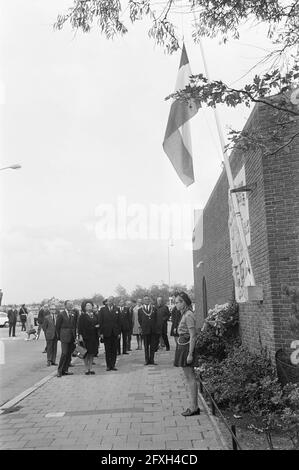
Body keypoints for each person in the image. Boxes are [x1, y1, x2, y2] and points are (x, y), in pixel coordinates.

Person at [173, 291, 200, 417]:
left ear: (184, 302)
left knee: (190, 378)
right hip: (183, 346)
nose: (176, 304)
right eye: (175, 302)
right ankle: (194, 405)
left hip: (186, 347)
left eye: (178, 302)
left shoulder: (188, 315)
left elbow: (193, 335)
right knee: (189, 378)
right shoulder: (185, 314)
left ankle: (194, 407)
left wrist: (190, 354)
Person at [98, 296, 121, 371]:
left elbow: (119, 322)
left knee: (114, 350)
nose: (110, 302)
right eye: (109, 300)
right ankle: (108, 365)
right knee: (107, 350)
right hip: (106, 333)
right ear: (107, 301)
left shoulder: (117, 309)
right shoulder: (102, 310)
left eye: (112, 300)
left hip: (115, 333)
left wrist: (119, 333)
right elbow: (100, 322)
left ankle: (113, 365)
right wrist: (101, 333)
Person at [56, 300, 77, 377]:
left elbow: (74, 326)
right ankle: (59, 370)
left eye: (72, 305)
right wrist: (59, 337)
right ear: (65, 306)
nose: (71, 306)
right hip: (64, 337)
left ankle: (65, 370)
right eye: (69, 305)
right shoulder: (61, 314)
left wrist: (75, 335)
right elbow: (57, 327)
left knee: (69, 354)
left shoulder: (73, 314)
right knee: (64, 353)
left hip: (72, 336)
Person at [78, 300, 99, 375]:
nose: (89, 307)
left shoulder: (95, 315)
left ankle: (91, 368)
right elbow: (80, 327)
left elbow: (98, 323)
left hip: (94, 336)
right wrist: (80, 336)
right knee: (86, 353)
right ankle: (86, 368)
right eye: (87, 305)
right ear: (84, 307)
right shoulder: (82, 316)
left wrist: (97, 327)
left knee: (92, 353)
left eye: (90, 305)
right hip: (86, 337)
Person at [138, 296, 158, 365]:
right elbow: (140, 320)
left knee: (152, 346)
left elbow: (156, 319)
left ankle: (152, 360)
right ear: (143, 301)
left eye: (148, 299)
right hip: (145, 330)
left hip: (152, 330)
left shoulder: (154, 309)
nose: (146, 300)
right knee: (146, 346)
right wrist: (144, 327)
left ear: (149, 300)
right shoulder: (140, 310)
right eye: (145, 299)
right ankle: (147, 360)